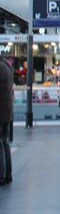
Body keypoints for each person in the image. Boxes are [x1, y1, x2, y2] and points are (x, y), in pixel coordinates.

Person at [0, 57, 13, 185]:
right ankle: (7, 173)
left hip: (1, 111)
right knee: (5, 142)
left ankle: (1, 175)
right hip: (7, 112)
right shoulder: (6, 66)